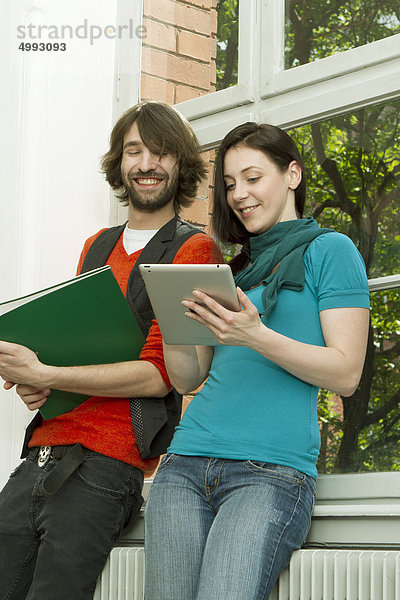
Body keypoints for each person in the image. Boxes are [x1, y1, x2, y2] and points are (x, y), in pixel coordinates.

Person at [0, 100, 223, 600]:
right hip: (41, 451)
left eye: (161, 152)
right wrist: (37, 381)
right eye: (134, 151)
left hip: (107, 463)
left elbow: (160, 375)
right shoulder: (96, 246)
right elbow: (79, 351)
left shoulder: (194, 251)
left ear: (181, 165)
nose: (147, 164)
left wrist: (52, 372)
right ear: (119, 164)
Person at [144, 122, 370, 600]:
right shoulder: (235, 271)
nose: (239, 195)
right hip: (184, 466)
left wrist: (257, 336)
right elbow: (188, 379)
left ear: (292, 174)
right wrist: (174, 326)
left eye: (252, 178)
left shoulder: (331, 250)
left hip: (269, 473)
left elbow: (347, 373)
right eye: (228, 185)